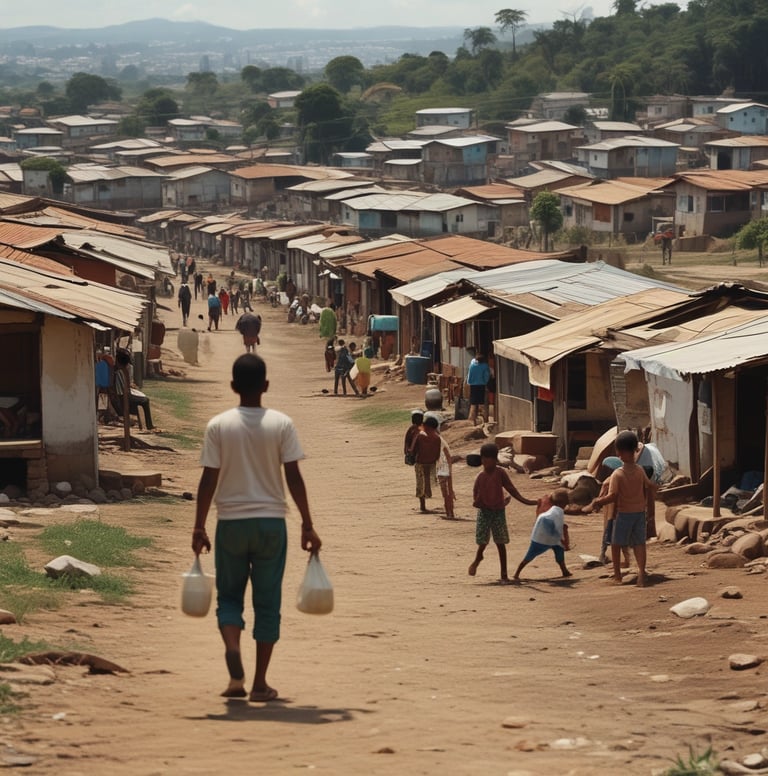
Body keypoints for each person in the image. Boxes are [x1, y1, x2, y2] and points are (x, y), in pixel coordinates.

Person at [191, 353, 321, 702]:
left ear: (233, 386)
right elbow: (293, 477)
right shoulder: (281, 424)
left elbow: (208, 480)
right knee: (267, 603)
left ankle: (234, 656)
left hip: (230, 524)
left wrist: (198, 527)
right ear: (265, 386)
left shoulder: (218, 425)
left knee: (230, 598)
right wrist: (308, 524)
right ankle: (260, 684)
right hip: (270, 524)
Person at [583, 430, 656, 587]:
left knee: (616, 544)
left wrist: (598, 501)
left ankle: (617, 576)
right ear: (635, 450)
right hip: (639, 514)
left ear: (619, 452)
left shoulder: (617, 474)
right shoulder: (640, 470)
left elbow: (613, 496)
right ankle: (641, 574)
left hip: (624, 514)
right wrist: (651, 510)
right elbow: (650, 486)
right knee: (639, 544)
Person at [468, 442, 538, 584]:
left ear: (495, 459)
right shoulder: (480, 477)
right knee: (482, 541)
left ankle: (504, 574)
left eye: (489, 458)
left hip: (498, 511)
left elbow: (511, 489)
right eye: (484, 458)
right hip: (485, 511)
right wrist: (479, 502)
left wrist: (528, 501)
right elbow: (475, 497)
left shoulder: (500, 473)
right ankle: (478, 558)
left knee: (500, 542)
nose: (486, 461)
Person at [512, 488, 572, 582]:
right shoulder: (559, 512)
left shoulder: (551, 510)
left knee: (531, 554)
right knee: (559, 549)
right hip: (548, 537)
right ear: (564, 503)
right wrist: (563, 540)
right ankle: (564, 570)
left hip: (538, 535)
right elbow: (559, 527)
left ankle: (517, 573)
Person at [114, 348, 155, 430]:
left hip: (125, 396)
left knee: (144, 399)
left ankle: (148, 425)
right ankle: (149, 425)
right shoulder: (119, 373)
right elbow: (120, 392)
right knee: (145, 400)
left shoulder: (122, 371)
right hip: (124, 398)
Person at [409, 414, 442, 513]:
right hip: (431, 463)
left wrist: (412, 455)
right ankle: (428, 494)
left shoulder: (420, 435)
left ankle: (423, 506)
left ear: (426, 426)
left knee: (420, 483)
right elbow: (437, 453)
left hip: (420, 462)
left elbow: (413, 449)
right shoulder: (437, 438)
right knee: (428, 481)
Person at [435, 422, 456, 519]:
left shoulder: (438, 440)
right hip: (442, 469)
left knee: (447, 492)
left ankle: (450, 512)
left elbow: (447, 455)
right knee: (446, 492)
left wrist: (449, 471)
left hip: (444, 470)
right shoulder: (437, 439)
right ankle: (449, 511)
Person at [466, 353, 491, 426]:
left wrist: (469, 382)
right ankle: (485, 420)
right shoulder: (485, 366)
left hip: (473, 385)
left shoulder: (472, 365)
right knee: (482, 403)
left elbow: (469, 375)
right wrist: (485, 382)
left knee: (473, 403)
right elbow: (486, 375)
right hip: (481, 385)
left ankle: (473, 421)